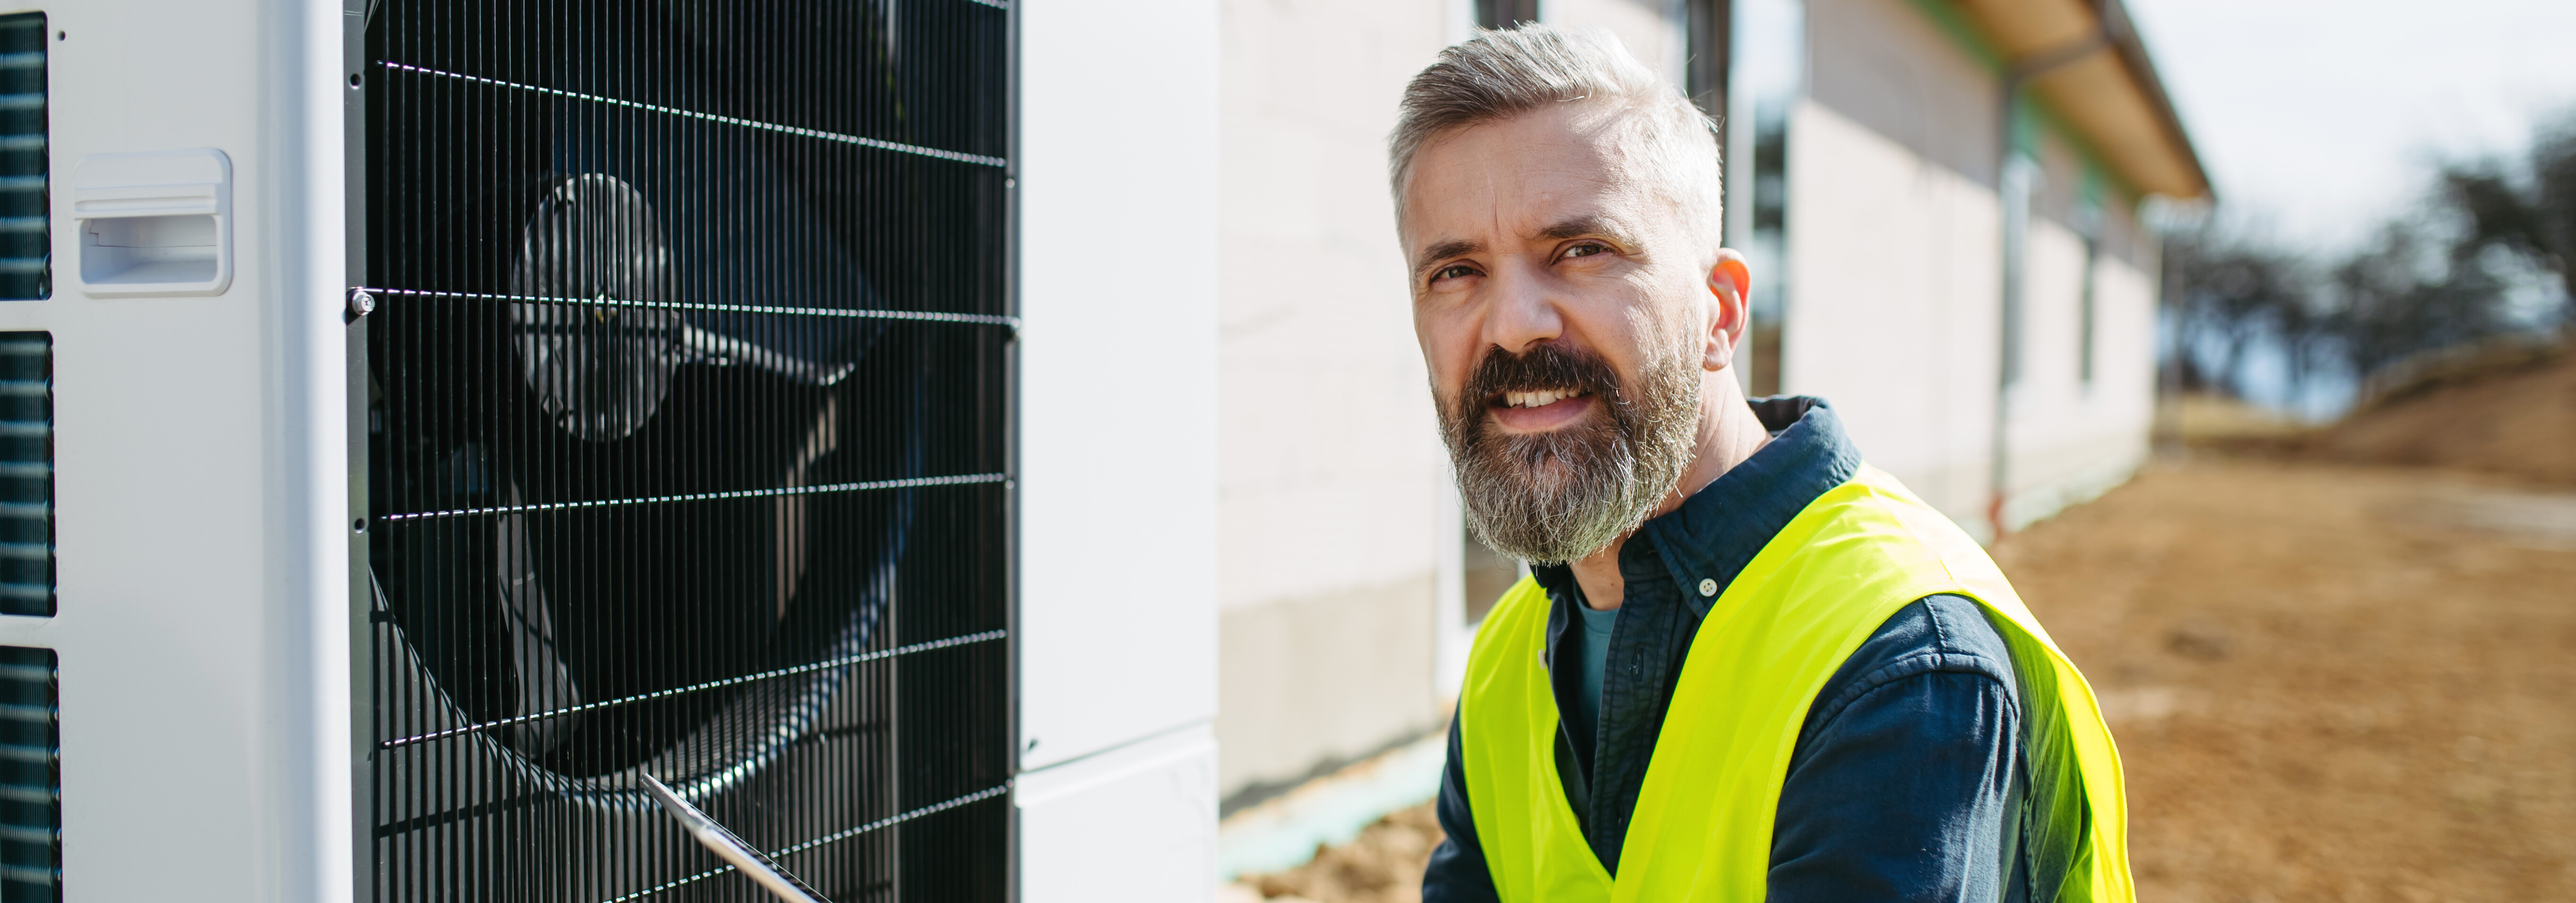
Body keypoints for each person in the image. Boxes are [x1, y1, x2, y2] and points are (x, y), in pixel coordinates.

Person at [1391, 25, 2132, 903]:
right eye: (1455, 271)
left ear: (1719, 311)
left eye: (1581, 251)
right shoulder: (1509, 655)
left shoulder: (1895, 660)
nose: (1514, 324)